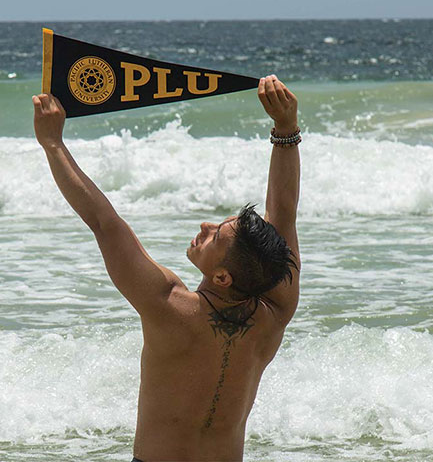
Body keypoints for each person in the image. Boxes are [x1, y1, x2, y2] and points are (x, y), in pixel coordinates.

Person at [32, 74, 301, 462]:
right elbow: (285, 216)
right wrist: (286, 130)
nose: (206, 227)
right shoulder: (274, 314)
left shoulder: (170, 307)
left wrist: (53, 144)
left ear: (223, 277)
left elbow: (105, 223)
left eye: (215, 237)